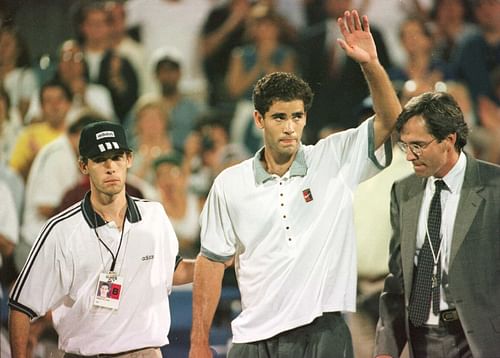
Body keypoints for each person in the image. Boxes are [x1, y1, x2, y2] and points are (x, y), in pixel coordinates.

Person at [189, 9, 401, 358]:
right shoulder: (229, 183)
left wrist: (371, 65)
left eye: (297, 117)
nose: (290, 127)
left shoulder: (334, 158)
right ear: (259, 119)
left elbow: (390, 120)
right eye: (279, 117)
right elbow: (211, 264)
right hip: (252, 337)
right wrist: (198, 343)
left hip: (323, 332)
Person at [9, 121, 194, 357]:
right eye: (99, 159)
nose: (110, 167)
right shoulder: (60, 230)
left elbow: (172, 270)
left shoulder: (154, 216)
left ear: (129, 159)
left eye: (117, 157)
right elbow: (20, 306)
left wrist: (217, 262)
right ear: (83, 166)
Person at [374, 91, 500, 358]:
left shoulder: (494, 188)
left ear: (449, 140)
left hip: (480, 341)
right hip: (422, 340)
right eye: (405, 145)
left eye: (418, 145)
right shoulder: (403, 191)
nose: (410, 156)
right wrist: (386, 348)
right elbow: (398, 279)